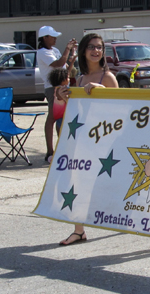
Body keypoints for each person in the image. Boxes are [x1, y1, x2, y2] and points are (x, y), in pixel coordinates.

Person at [59, 33, 119, 247]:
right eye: (92, 47)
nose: (96, 51)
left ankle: (128, 219)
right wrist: (67, 98)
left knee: (113, 184)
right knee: (78, 183)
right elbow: (81, 112)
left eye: (100, 47)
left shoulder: (108, 77)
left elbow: (120, 111)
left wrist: (102, 91)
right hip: (85, 140)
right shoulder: (81, 79)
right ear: (83, 51)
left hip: (105, 140)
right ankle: (79, 230)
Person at [37, 26, 77, 163]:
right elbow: (59, 63)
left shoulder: (54, 50)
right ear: (44, 38)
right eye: (52, 37)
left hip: (63, 87)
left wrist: (71, 59)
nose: (54, 39)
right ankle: (50, 150)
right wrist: (68, 48)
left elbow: (64, 67)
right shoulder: (42, 52)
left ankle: (62, 148)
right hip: (52, 88)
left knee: (63, 118)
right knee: (52, 118)